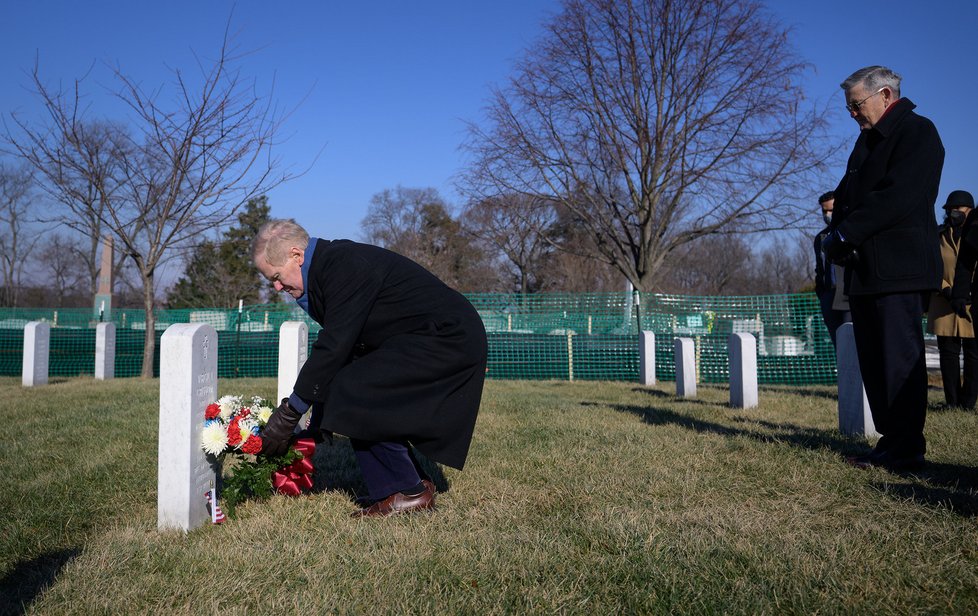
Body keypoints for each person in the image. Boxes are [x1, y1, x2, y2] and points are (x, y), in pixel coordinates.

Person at [252, 219, 488, 517]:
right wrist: (319, 419)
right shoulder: (328, 268)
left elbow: (335, 345)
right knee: (355, 386)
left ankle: (406, 492)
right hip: (426, 337)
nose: (275, 287)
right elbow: (349, 348)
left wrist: (290, 413)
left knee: (356, 390)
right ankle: (410, 484)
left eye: (275, 276)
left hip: (447, 337)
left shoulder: (342, 265)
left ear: (296, 255)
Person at [821, 65, 944, 472]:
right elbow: (846, 192)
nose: (853, 114)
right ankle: (890, 443)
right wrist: (836, 234)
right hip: (865, 269)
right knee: (875, 361)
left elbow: (899, 197)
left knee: (897, 360)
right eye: (850, 107)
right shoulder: (867, 141)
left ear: (886, 95)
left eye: (856, 105)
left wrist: (847, 233)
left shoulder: (918, 133)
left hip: (898, 270)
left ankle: (908, 450)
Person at [927, 190, 977, 409]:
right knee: (948, 355)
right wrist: (947, 290)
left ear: (971, 211)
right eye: (950, 210)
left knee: (974, 356)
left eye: (959, 209)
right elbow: (931, 266)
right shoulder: (938, 236)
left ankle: (968, 402)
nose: (954, 213)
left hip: (972, 303)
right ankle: (952, 402)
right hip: (943, 303)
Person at [813, 191, 851, 347]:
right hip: (829, 296)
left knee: (852, 342)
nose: (827, 214)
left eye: (831, 210)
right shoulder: (820, 238)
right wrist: (822, 294)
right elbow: (819, 268)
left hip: (849, 296)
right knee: (839, 346)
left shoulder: (850, 232)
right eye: (824, 211)